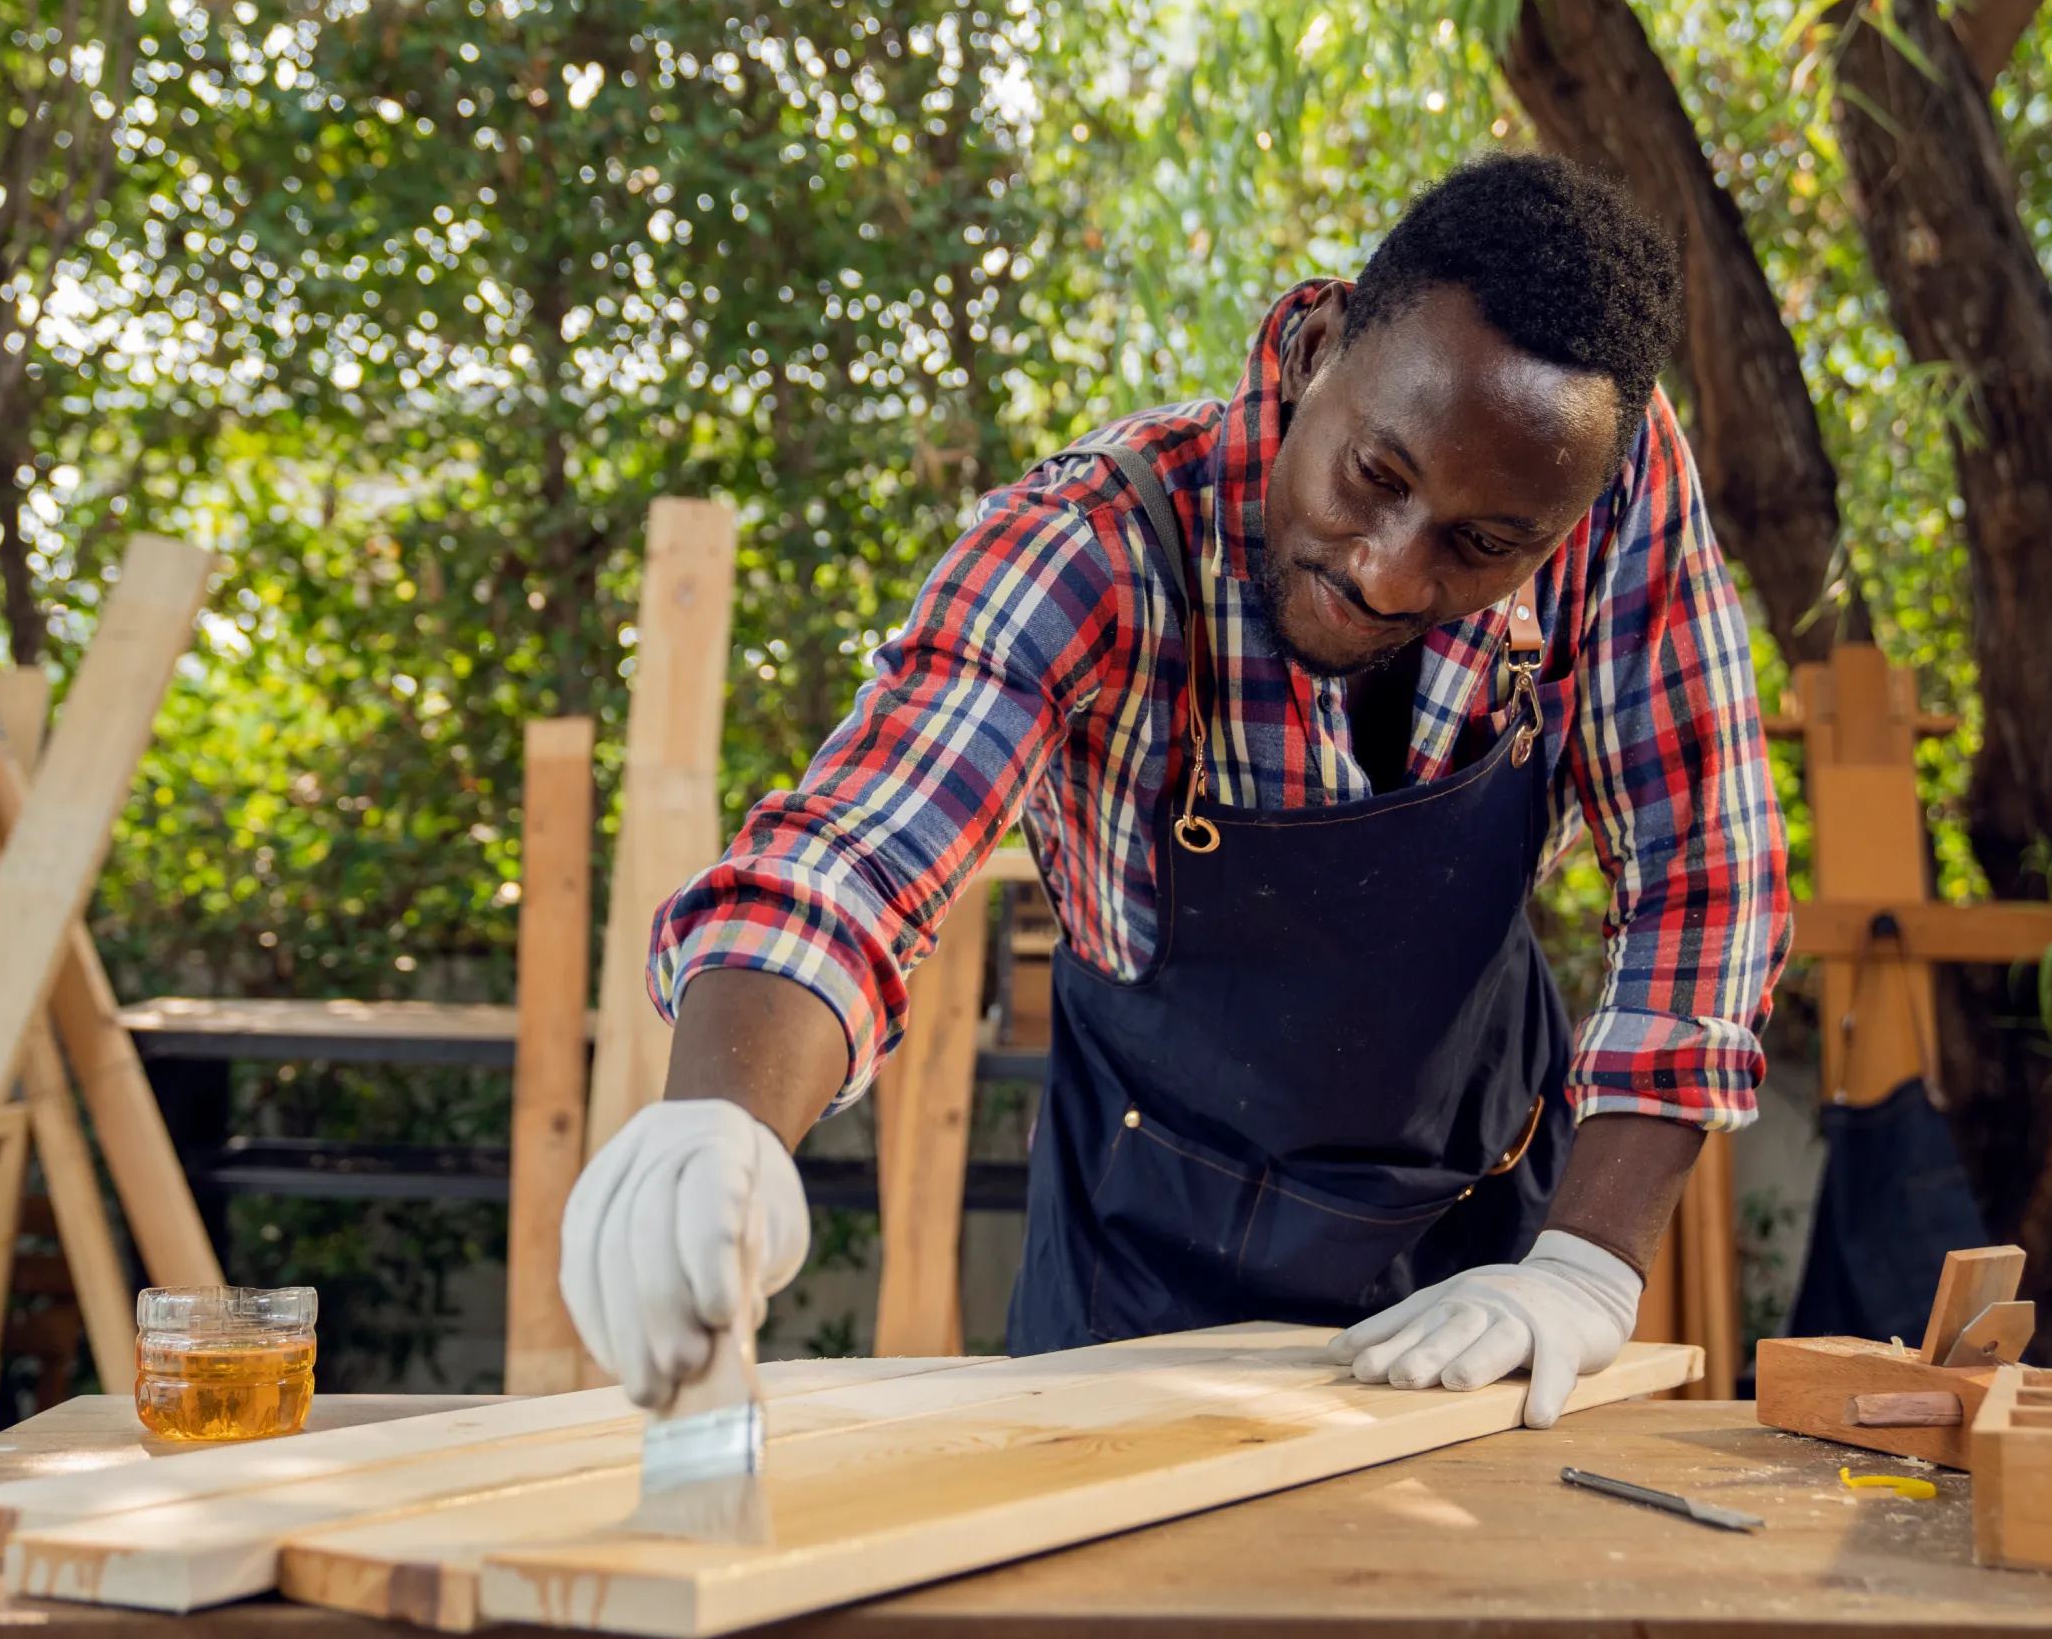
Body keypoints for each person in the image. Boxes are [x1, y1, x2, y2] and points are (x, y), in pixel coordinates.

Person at [561, 153, 1791, 1426]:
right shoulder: (1094, 544)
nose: (1388, 573)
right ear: (1316, 349)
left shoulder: (1593, 468)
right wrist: (721, 1130)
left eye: (1483, 548)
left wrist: (1583, 1269)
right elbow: (856, 855)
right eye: (1376, 475)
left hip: (1482, 1262)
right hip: (1142, 1266)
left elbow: (1708, 868)